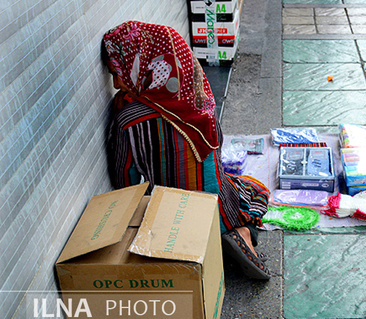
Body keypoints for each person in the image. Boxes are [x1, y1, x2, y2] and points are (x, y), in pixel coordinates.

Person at [102, 20, 271, 280]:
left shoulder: (129, 118)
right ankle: (240, 231)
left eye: (119, 71)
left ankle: (211, 241)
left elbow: (125, 182)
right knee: (248, 189)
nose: (116, 83)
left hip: (174, 216)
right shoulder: (200, 99)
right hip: (219, 205)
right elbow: (218, 147)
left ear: (143, 65)